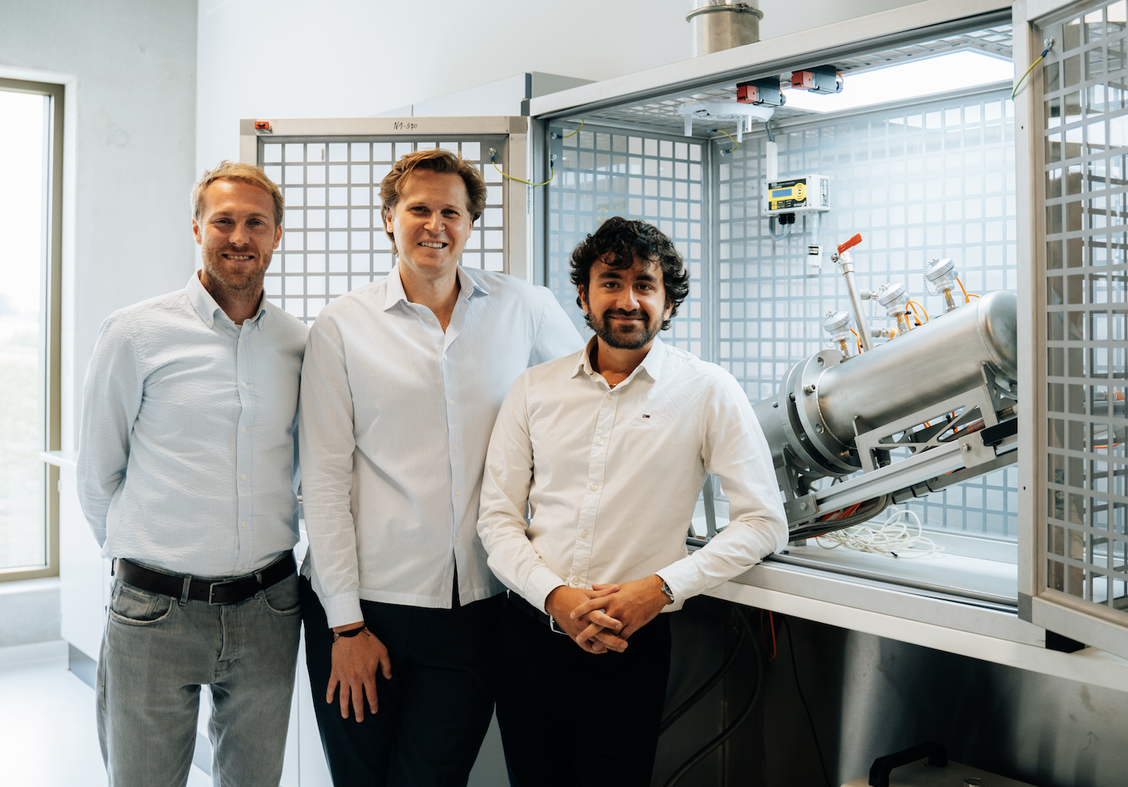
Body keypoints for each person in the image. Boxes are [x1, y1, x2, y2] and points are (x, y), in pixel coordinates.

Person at [298, 147, 582, 786]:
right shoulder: (344, 325)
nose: (435, 225)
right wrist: (346, 625)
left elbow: (585, 405)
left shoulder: (524, 308)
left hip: (475, 608)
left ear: (471, 222)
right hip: (363, 606)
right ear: (389, 218)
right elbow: (322, 477)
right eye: (418, 209)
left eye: (450, 211)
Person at [477, 216, 789, 787]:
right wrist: (556, 598)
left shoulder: (707, 390)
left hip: (632, 647)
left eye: (645, 285)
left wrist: (661, 589)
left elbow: (765, 523)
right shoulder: (533, 389)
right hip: (530, 639)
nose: (628, 300)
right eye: (611, 281)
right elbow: (496, 520)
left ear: (668, 303)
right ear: (583, 295)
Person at [76, 161, 307, 786]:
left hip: (269, 609)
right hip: (154, 612)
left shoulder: (299, 343)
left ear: (277, 234)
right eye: (224, 221)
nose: (239, 237)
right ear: (197, 228)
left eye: (255, 223)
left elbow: (310, 466)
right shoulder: (136, 333)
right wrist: (143, 559)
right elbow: (98, 472)